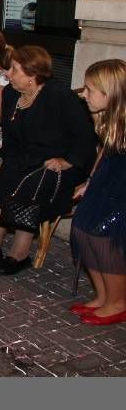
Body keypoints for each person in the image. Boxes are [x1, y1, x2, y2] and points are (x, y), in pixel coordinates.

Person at [0, 45, 97, 275]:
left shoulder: (59, 96)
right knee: (6, 174)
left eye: (15, 69)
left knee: (29, 182)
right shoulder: (10, 94)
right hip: (23, 158)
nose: (8, 73)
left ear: (32, 75)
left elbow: (86, 135)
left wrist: (68, 161)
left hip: (56, 163)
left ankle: (20, 253)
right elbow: (10, 138)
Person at [71, 59, 126, 325]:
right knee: (81, 229)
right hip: (107, 176)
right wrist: (91, 179)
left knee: (105, 236)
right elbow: (104, 150)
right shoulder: (106, 116)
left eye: (90, 89)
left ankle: (117, 302)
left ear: (110, 94)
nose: (84, 94)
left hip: (122, 184)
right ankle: (103, 295)